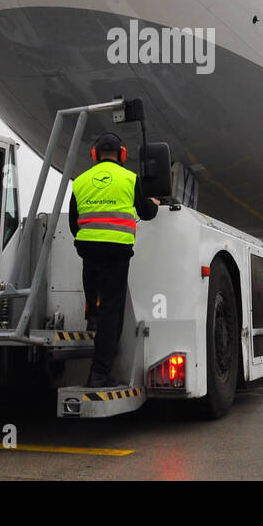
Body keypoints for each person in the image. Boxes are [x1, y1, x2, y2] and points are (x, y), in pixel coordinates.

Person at [67, 132, 159, 388]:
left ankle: (91, 312)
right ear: (122, 154)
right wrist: (151, 201)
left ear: (94, 154)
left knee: (95, 295)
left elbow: (74, 224)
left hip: (88, 249)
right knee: (112, 310)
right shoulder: (130, 179)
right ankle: (99, 373)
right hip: (116, 252)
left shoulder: (80, 181)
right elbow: (147, 213)